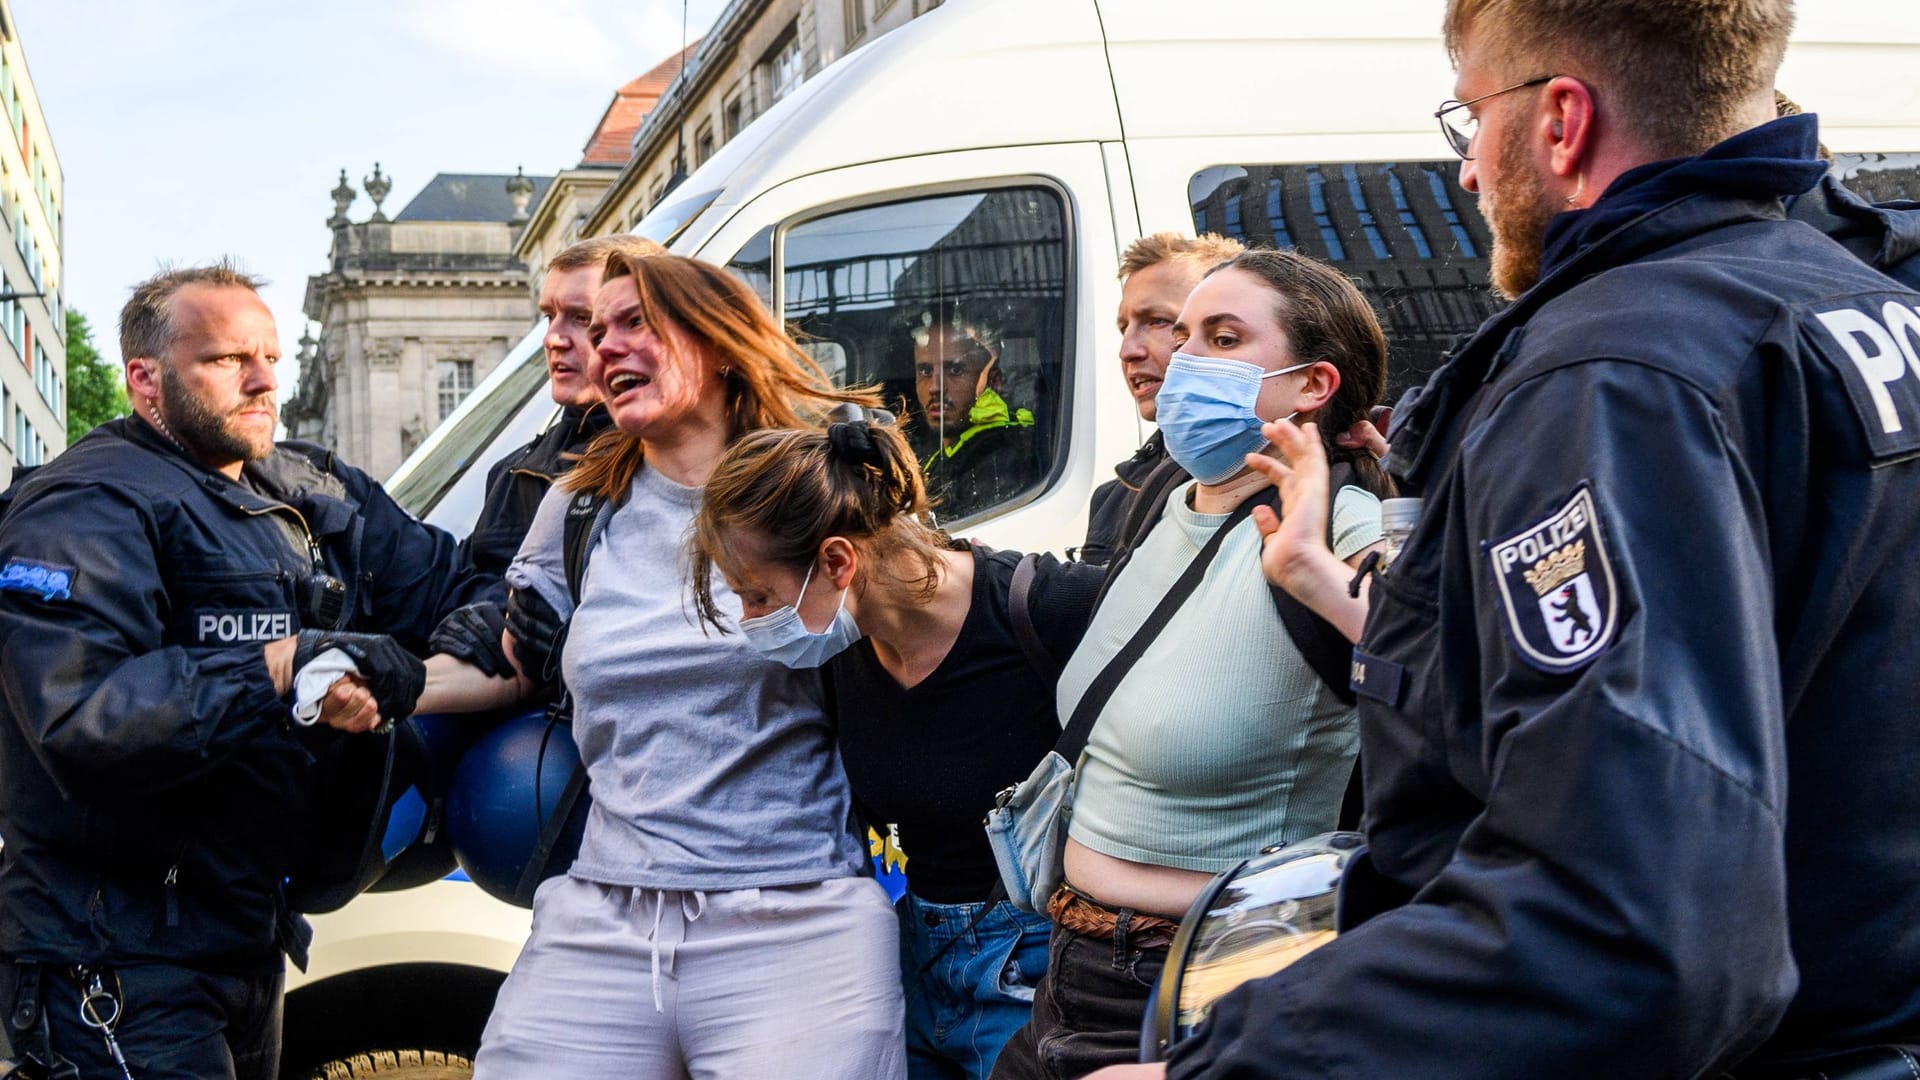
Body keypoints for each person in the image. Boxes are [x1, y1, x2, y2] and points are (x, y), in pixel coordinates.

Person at [1102, 1, 1920, 1077]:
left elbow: (1622, 923)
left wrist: (1233, 1065)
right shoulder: (1857, 302)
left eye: (1469, 121)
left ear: (1563, 123)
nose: (1469, 175)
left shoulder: (1613, 377)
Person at [0, 263, 480, 1080]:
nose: (263, 380)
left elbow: (456, 584)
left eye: (268, 357)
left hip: (247, 935)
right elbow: (82, 719)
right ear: (145, 380)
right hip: (112, 956)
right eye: (225, 361)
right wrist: (280, 666)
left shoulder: (308, 488)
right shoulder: (83, 505)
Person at [462, 252, 906, 1079]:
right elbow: (515, 666)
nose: (605, 348)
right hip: (602, 917)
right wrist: (363, 681)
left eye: (635, 324)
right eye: (599, 332)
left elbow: (920, 625)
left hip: (797, 915)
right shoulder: (578, 506)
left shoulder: (813, 487)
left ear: (720, 340)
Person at [992, 248, 1393, 1080]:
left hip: (1206, 985)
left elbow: (1440, 658)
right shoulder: (1165, 504)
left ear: (1311, 384)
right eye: (1184, 335)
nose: (1181, 360)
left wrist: (1320, 575)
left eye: (1223, 337)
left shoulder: (1342, 523)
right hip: (1067, 973)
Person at [688, 412, 1104, 1079]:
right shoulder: (839, 655)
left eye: (759, 595)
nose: (750, 621)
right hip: (912, 965)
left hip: (1035, 979)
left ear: (836, 561)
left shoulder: (1045, 610)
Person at [428, 234, 665, 676]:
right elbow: (467, 589)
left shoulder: (684, 461)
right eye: (549, 317)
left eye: (581, 318)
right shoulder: (514, 470)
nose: (554, 338)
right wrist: (491, 616)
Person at [1078, 233, 1244, 566]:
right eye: (1124, 327)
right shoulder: (1113, 496)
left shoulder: (1287, 483)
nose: (1128, 350)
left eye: (1158, 322)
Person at [915, 311, 1038, 520]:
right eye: (925, 371)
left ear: (994, 380)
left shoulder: (999, 455)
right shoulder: (943, 454)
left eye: (955, 370)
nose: (935, 387)